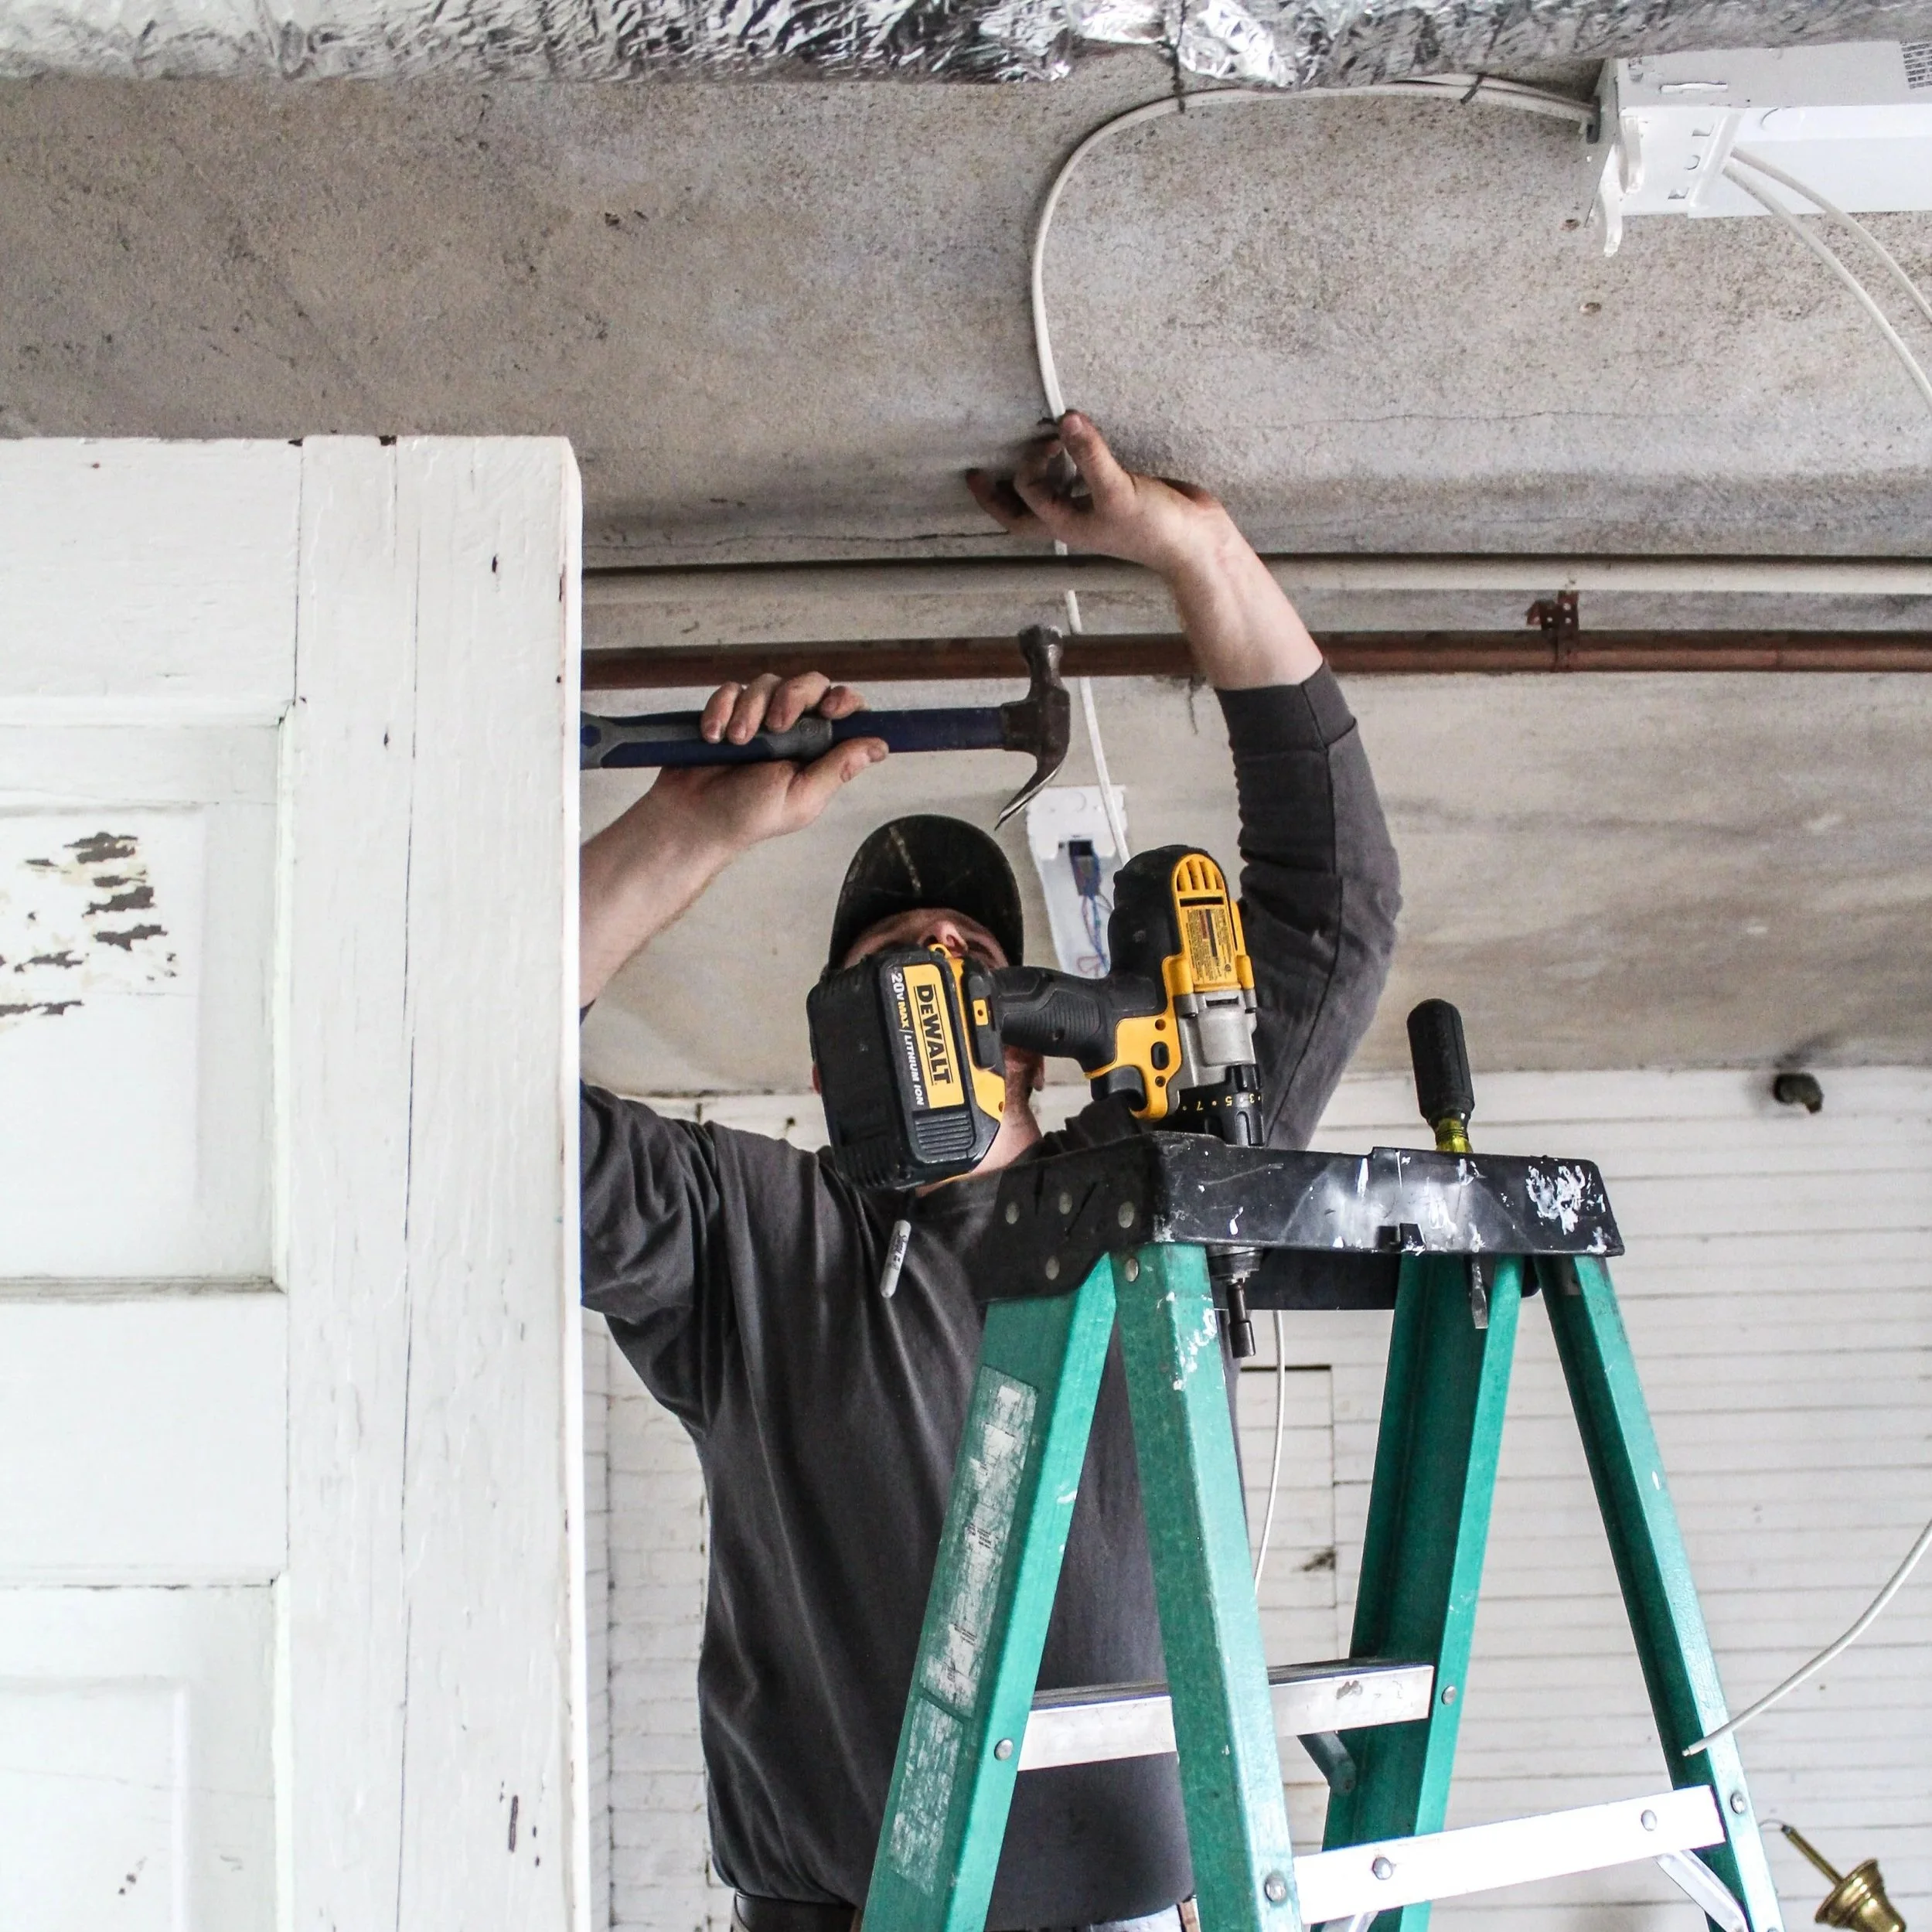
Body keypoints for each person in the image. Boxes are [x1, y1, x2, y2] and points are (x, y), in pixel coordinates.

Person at [579, 413, 1401, 1932]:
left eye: (969, 960)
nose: (939, 982)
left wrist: (1189, 546)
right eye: (894, 968)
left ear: (1028, 1019)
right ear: (835, 1041)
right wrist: (683, 824)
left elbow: (1330, 908)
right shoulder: (749, 1240)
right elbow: (460, 1087)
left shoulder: (1163, 1183)